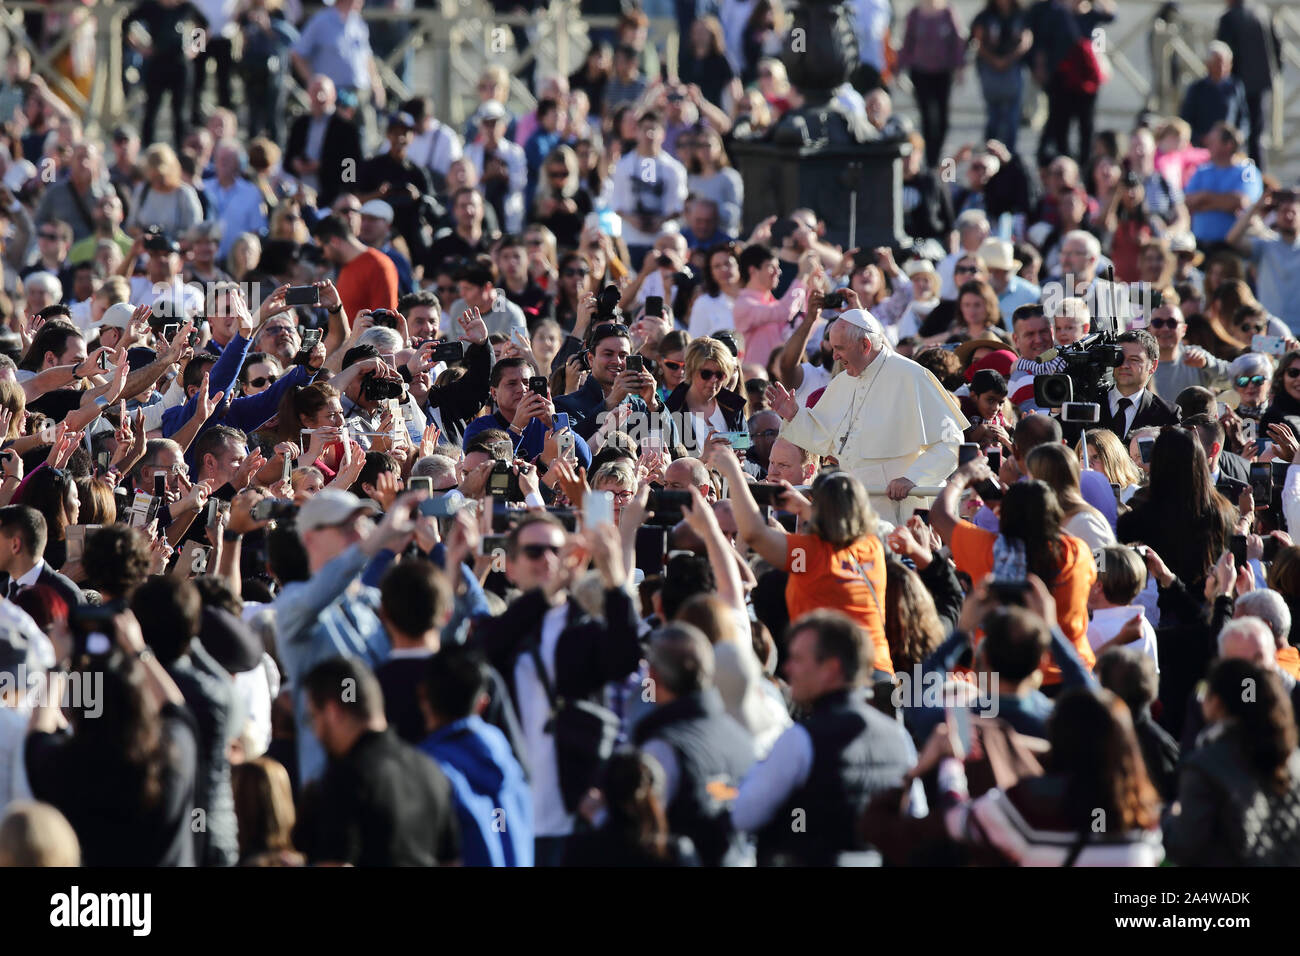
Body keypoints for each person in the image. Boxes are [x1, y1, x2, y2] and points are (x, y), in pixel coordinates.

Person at [471, 514, 639, 866]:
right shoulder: (503, 627)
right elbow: (485, 652)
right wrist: (545, 595)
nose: (548, 560)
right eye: (535, 551)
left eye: (556, 551)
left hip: (571, 807)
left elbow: (624, 659)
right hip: (508, 809)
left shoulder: (584, 629)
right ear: (512, 567)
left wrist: (614, 579)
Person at [732, 610, 916, 866]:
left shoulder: (801, 739)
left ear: (831, 669)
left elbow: (744, 814)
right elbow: (914, 817)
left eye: (797, 658)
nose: (787, 667)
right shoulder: (899, 737)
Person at [26, 604, 199, 866]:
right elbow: (176, 708)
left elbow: (38, 731)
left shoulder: (63, 767)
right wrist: (139, 650)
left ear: (79, 711)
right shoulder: (173, 756)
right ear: (141, 702)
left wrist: (58, 664)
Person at [767, 308, 968, 525]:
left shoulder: (911, 375)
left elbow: (951, 442)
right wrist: (794, 415)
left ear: (865, 345)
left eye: (839, 348)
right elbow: (825, 439)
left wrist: (913, 478)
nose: (834, 356)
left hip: (900, 506)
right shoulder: (842, 382)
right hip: (855, 503)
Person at [927, 687, 1164, 865]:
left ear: (1055, 732)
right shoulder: (1147, 822)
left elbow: (955, 820)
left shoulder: (1029, 808)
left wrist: (951, 762)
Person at [933, 463, 1098, 680]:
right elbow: (1047, 531)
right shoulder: (1077, 553)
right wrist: (1024, 512)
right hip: (1070, 676)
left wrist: (961, 477)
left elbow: (939, 515)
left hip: (1001, 680)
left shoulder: (986, 549)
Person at [300, 656, 460, 866]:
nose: (314, 731)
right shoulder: (431, 770)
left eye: (313, 717)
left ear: (333, 712)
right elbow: (451, 861)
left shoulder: (345, 778)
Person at [630, 623, 756, 867]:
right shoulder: (742, 739)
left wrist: (598, 813)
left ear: (653, 677)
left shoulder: (661, 750)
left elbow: (638, 835)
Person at [1163, 657, 1300, 865]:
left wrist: (1169, 818)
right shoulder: (1293, 759)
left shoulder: (1204, 766)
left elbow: (1184, 845)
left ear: (1216, 703)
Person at [1117, 426, 1234, 600]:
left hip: (1157, 609)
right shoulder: (1222, 511)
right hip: (1209, 607)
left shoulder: (1140, 517)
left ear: (1157, 463)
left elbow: (1110, 562)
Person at [1185, 122, 1263, 246]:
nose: (1207, 145)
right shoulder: (1202, 170)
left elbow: (1241, 202)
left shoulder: (1247, 171)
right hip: (1200, 243)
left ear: (1228, 145)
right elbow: (1187, 201)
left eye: (1213, 141)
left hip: (1232, 246)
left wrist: (1204, 198)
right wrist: (1224, 202)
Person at [1095, 329, 1180, 442]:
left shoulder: (1167, 415)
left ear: (1153, 366)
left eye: (1134, 360)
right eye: (1119, 358)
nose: (1124, 365)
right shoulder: (1091, 403)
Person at [1179, 42, 1251, 149]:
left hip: (1229, 147)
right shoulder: (1197, 89)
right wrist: (1200, 138)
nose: (1221, 68)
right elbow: (1185, 120)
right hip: (1203, 148)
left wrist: (1241, 134)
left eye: (1225, 64)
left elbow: (1244, 117)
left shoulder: (1235, 87)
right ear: (1208, 64)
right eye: (1217, 63)